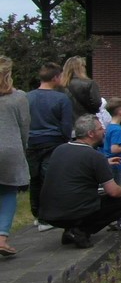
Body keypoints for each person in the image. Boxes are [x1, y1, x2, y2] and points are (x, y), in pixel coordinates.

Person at [39, 115, 121, 249]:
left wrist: (105, 163)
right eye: (101, 128)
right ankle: (81, 231)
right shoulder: (95, 156)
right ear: (91, 133)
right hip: (74, 211)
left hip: (48, 213)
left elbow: (76, 166)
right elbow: (113, 192)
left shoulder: (60, 149)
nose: (104, 131)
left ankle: (70, 230)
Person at [27, 62, 73, 232]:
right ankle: (48, 216)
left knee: (35, 178)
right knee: (49, 178)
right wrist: (65, 139)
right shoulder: (61, 99)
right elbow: (66, 124)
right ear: (55, 77)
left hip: (31, 141)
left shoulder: (27, 97)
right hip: (53, 141)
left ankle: (37, 213)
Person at [0, 56, 31, 256]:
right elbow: (24, 125)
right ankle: (2, 237)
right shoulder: (18, 97)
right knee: (8, 192)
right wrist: (23, 147)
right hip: (10, 148)